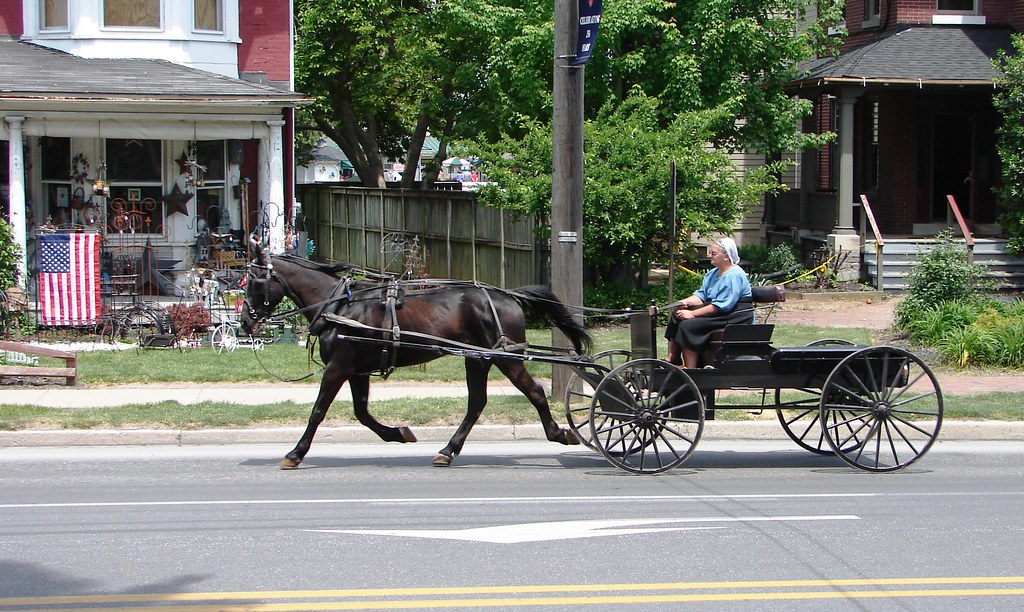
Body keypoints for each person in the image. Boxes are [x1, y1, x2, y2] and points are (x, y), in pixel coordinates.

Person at [665, 237, 753, 368]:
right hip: (720, 312)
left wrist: (693, 314)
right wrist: (684, 302)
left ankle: (691, 370)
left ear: (726, 256)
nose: (709, 255)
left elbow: (722, 306)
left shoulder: (734, 274)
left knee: (687, 326)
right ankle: (673, 357)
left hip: (734, 315)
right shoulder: (712, 274)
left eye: (713, 253)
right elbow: (701, 296)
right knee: (677, 315)